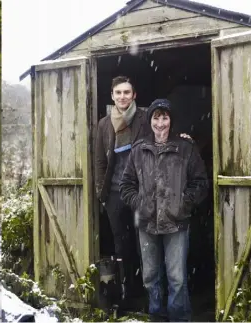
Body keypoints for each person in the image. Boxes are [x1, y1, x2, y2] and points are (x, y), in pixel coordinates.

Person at [119, 98, 208, 322]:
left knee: (176, 276)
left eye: (165, 117)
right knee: (150, 276)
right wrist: (139, 203)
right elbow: (126, 184)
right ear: (150, 121)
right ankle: (157, 315)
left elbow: (200, 182)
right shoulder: (139, 149)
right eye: (156, 117)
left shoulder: (185, 148)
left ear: (171, 120)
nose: (160, 123)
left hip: (176, 222)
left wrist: (183, 203)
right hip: (147, 223)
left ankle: (179, 318)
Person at [94, 76, 151, 306]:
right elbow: (99, 161)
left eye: (127, 92)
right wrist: (102, 192)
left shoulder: (145, 118)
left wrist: (184, 137)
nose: (122, 97)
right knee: (121, 246)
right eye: (118, 93)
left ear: (134, 95)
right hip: (115, 194)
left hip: (139, 193)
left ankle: (150, 297)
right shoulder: (104, 124)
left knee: (144, 244)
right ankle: (128, 293)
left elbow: (163, 137)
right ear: (112, 96)